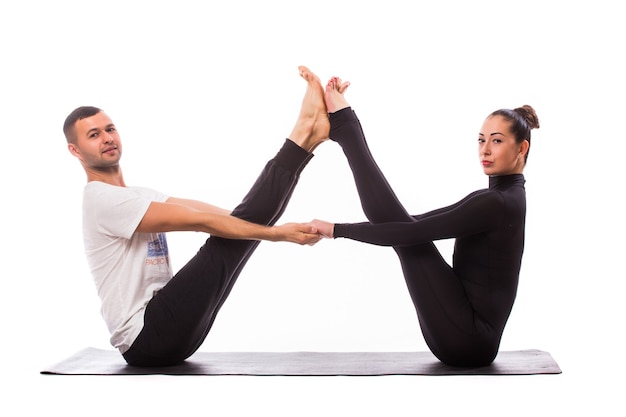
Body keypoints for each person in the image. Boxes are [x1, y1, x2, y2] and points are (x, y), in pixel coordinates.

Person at [65, 66, 329, 367]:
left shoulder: (138, 194)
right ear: (75, 150)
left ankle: (309, 138)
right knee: (230, 239)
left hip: (173, 334)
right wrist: (276, 234)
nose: (107, 138)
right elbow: (199, 222)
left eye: (110, 129)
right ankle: (304, 133)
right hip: (147, 336)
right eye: (94, 135)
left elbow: (214, 213)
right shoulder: (99, 199)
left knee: (239, 231)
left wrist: (265, 227)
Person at [310, 77, 540, 366]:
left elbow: (412, 231)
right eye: (481, 140)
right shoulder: (500, 198)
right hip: (460, 334)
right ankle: (346, 129)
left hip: (467, 340)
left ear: (522, 149)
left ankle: (346, 129)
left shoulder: (497, 203)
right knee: (404, 230)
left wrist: (336, 230)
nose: (485, 150)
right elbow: (411, 223)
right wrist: (339, 229)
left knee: (408, 238)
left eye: (497, 141)